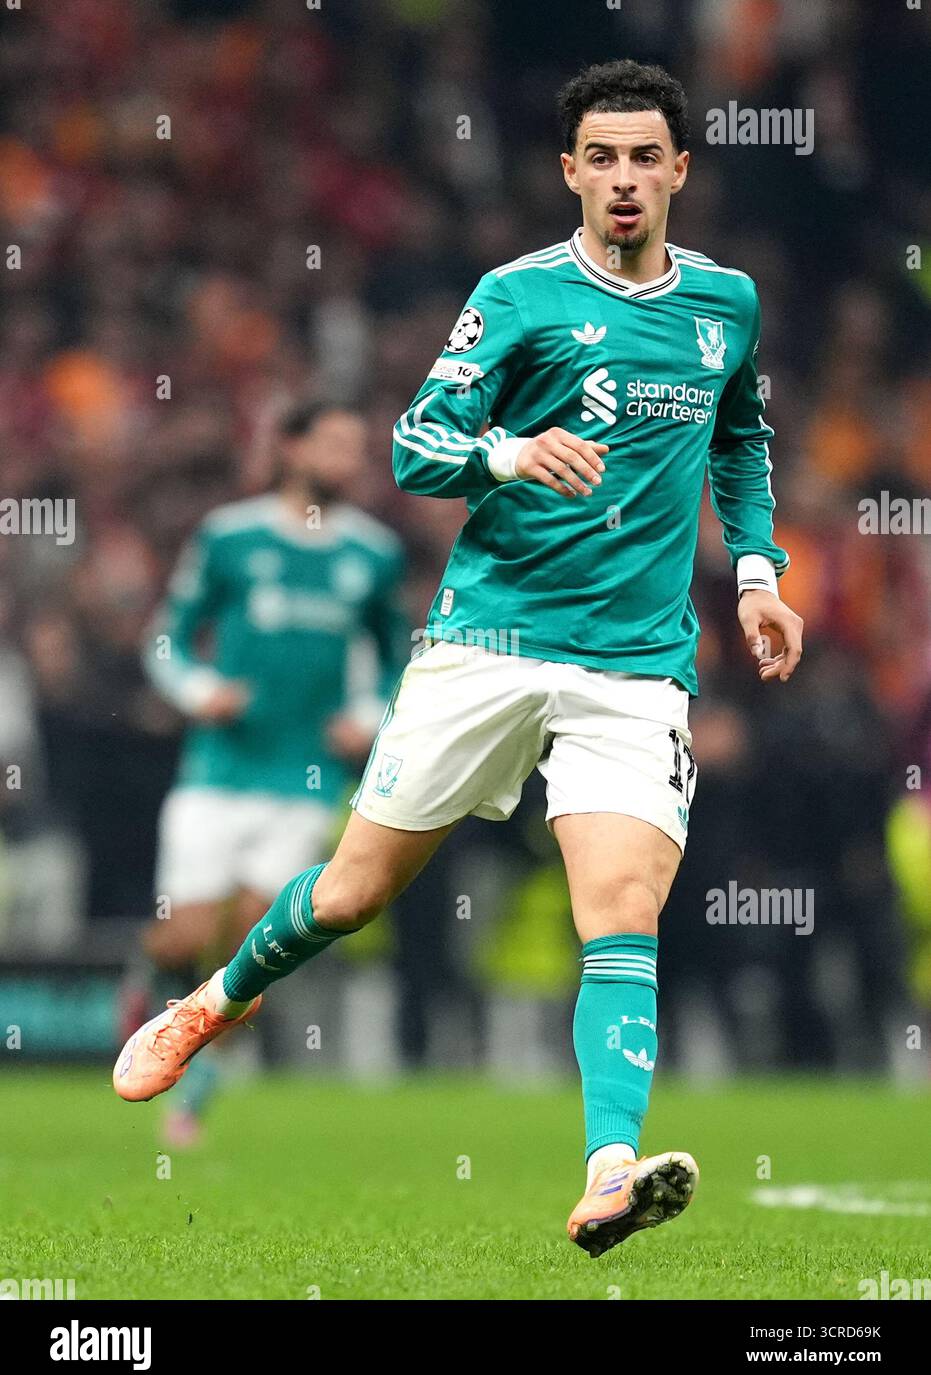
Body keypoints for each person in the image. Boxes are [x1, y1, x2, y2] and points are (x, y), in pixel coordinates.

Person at [114, 60, 803, 1257]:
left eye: (647, 157)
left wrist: (756, 576)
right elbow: (413, 445)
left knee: (620, 911)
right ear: (569, 171)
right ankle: (214, 999)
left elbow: (739, 438)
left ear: (681, 170)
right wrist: (506, 454)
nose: (626, 178)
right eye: (604, 157)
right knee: (350, 893)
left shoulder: (724, 305)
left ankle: (606, 1170)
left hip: (634, 664)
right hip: (488, 641)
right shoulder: (519, 295)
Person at [123, 399, 407, 1145]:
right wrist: (198, 690)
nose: (349, 460)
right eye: (335, 444)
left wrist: (369, 715)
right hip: (216, 771)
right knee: (181, 938)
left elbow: (398, 661)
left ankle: (191, 1099)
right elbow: (165, 639)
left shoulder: (373, 553)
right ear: (290, 447)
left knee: (252, 940)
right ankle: (143, 991)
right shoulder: (229, 537)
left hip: (303, 780)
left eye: (358, 447)